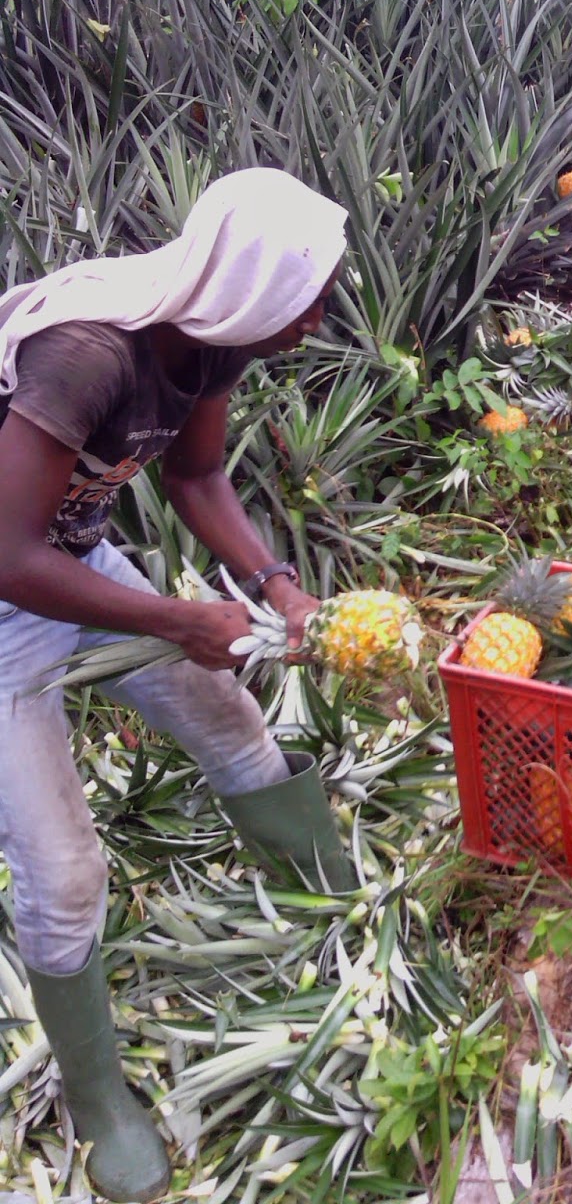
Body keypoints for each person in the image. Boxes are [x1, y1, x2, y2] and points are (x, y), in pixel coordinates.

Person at [0, 168, 357, 1204]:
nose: (321, 315)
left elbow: (195, 478)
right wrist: (174, 618)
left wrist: (277, 588)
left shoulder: (210, 342)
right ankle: (100, 1097)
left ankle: (325, 904)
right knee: (62, 869)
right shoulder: (90, 356)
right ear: (253, 287)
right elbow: (9, 556)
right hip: (9, 587)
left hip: (69, 558)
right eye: (311, 295)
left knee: (230, 720)